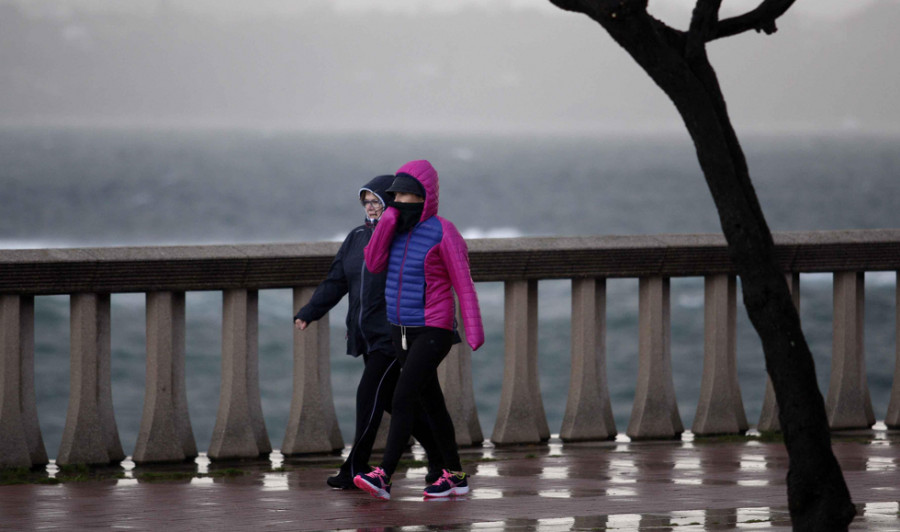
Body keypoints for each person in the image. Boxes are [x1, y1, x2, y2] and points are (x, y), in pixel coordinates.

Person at [294, 174, 443, 490]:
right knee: (391, 401)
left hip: (395, 335)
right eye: (367, 201)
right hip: (366, 335)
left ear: (390, 203)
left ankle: (355, 467)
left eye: (377, 201)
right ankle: (441, 458)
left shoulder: (402, 239)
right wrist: (310, 311)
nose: (371, 207)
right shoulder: (357, 236)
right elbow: (337, 281)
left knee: (368, 396)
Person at [354, 159, 484, 500]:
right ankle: (455, 475)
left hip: (433, 329)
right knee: (433, 404)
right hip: (400, 329)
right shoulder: (393, 227)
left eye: (407, 195)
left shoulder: (444, 231)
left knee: (403, 396)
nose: (399, 200)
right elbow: (373, 262)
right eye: (395, 194)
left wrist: (473, 329)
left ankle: (384, 475)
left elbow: (464, 284)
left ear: (425, 197)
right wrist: (388, 222)